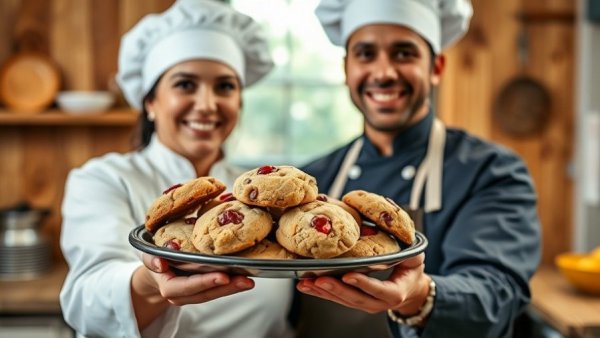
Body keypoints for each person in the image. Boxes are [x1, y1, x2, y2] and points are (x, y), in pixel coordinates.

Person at [296, 0, 542, 337]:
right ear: (346, 70)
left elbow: (496, 296)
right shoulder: (309, 183)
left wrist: (418, 296)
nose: (383, 73)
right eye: (366, 54)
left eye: (403, 53)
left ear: (436, 67)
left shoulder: (491, 172)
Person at [59, 1, 295, 337]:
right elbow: (83, 301)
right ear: (150, 101)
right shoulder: (104, 179)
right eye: (185, 84)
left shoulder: (263, 195)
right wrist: (148, 284)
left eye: (225, 86)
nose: (207, 104)